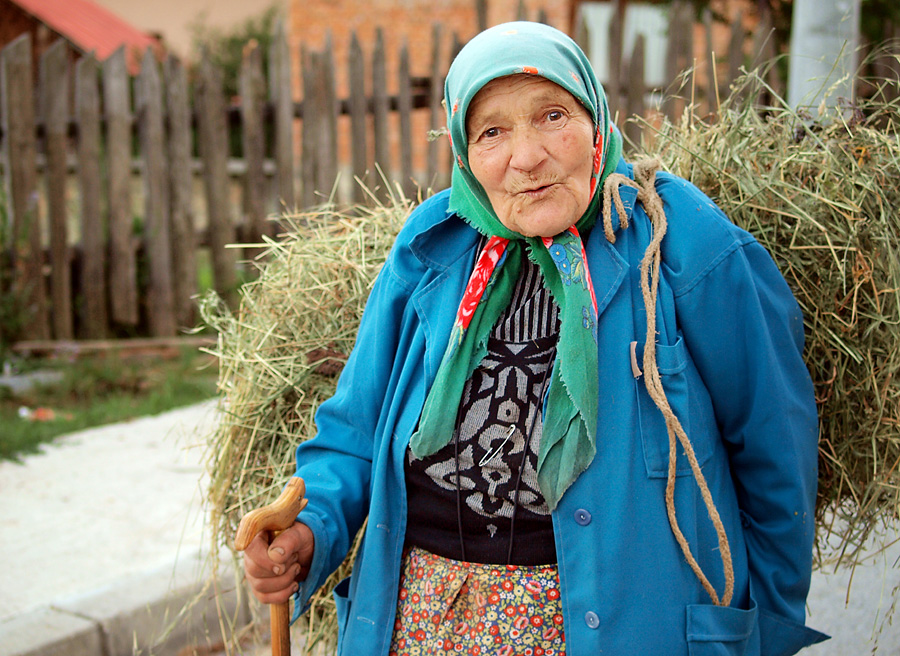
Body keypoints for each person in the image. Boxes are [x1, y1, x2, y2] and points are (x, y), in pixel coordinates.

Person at [242, 21, 828, 656]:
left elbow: (774, 450)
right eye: (492, 132)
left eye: (552, 116)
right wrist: (313, 528)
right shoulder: (433, 246)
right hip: (421, 622)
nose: (525, 158)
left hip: (616, 629)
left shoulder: (677, 241)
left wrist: (767, 632)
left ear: (595, 121)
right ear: (464, 154)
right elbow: (355, 433)